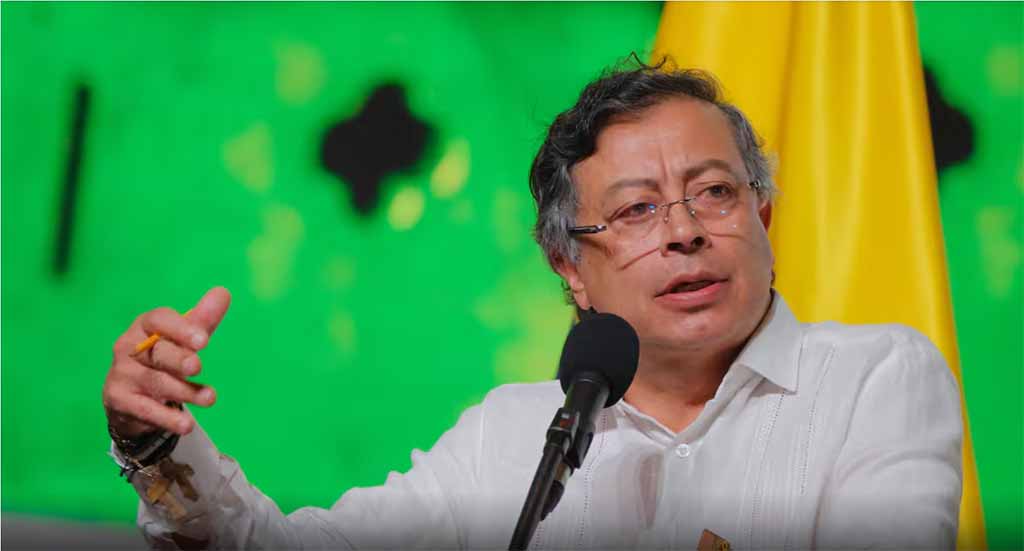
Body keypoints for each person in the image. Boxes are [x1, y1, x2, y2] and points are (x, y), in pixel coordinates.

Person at [102, 60, 963, 550]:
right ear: (570, 268)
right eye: (637, 210)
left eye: (714, 192)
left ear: (762, 216)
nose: (685, 232)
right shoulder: (511, 436)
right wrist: (152, 441)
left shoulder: (876, 379)